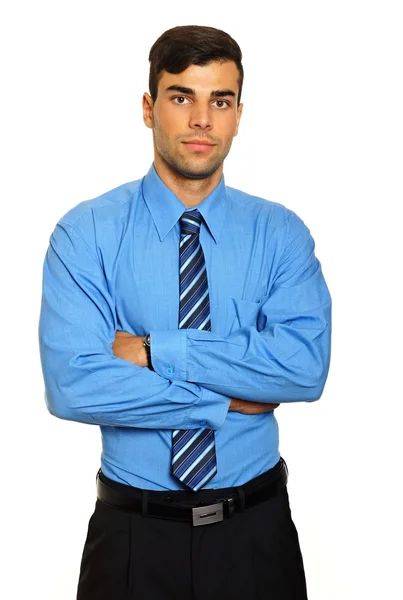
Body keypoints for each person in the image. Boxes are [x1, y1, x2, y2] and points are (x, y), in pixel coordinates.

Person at [39, 24, 331, 600]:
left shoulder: (280, 235)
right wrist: (224, 401)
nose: (202, 120)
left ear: (239, 114)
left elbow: (303, 369)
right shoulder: (86, 234)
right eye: (182, 97)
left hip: (256, 534)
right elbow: (73, 386)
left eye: (219, 100)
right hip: (132, 539)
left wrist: (154, 351)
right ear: (149, 109)